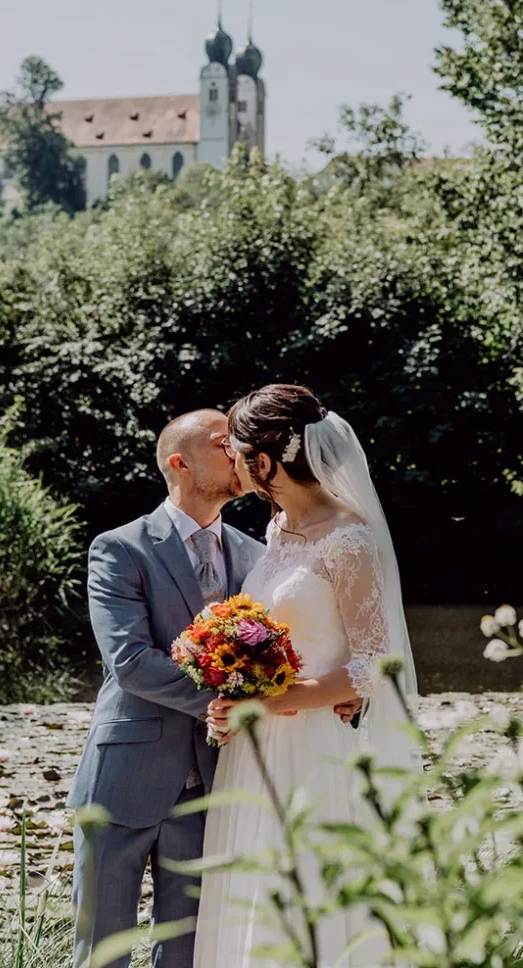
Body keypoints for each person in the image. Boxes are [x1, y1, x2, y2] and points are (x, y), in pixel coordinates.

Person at [67, 405, 364, 968]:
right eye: (220, 443)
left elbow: (308, 643)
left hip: (217, 783)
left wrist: (332, 687)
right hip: (126, 776)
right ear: (179, 463)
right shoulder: (120, 548)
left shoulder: (262, 555)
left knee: (188, 952)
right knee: (100, 953)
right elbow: (130, 662)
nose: (238, 452)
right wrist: (243, 703)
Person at [195, 384, 420, 968]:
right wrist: (238, 686)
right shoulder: (278, 530)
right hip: (259, 740)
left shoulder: (348, 538)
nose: (229, 458)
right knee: (258, 886)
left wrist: (278, 701)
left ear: (265, 461)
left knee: (313, 890)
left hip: (317, 745)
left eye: (235, 448)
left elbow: (376, 664)